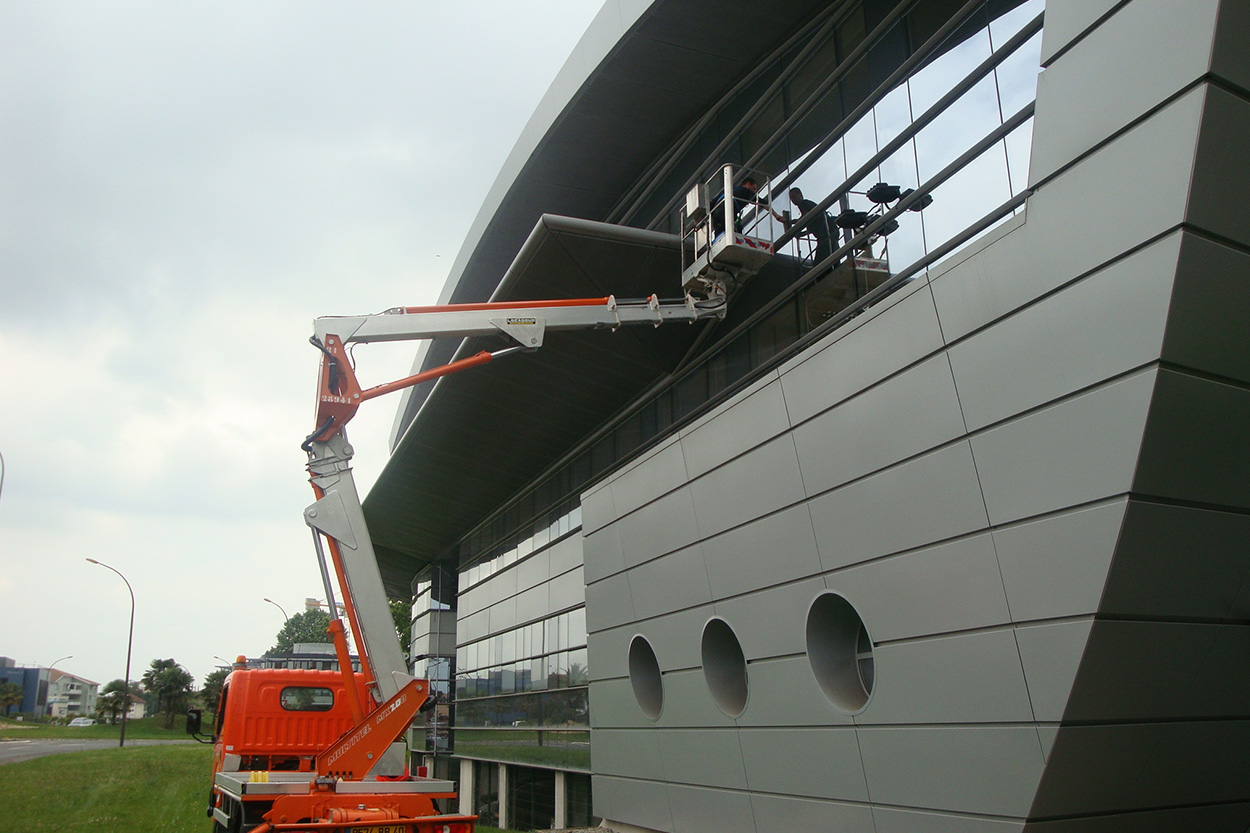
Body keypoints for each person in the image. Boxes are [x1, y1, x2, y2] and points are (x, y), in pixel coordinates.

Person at [712, 175, 784, 234]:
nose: (754, 191)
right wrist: (776, 215)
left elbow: (712, 202)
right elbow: (762, 202)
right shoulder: (746, 191)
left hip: (716, 214)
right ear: (748, 184)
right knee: (737, 231)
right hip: (726, 211)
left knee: (720, 233)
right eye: (753, 188)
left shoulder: (728, 191)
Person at [788, 187, 833, 264]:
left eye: (794, 197)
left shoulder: (804, 204)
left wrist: (791, 222)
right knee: (827, 255)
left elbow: (804, 218)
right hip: (827, 232)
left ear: (800, 195)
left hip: (826, 233)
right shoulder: (808, 206)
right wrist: (802, 233)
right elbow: (812, 226)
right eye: (791, 199)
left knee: (821, 259)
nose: (793, 200)